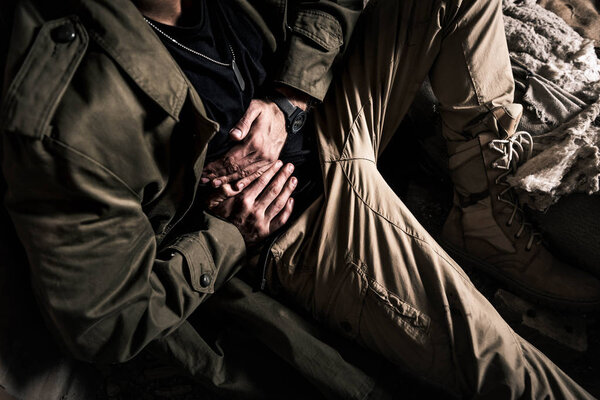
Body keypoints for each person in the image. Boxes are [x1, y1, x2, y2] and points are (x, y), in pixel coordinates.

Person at [1, 0, 598, 398]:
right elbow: (103, 322)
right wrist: (228, 231)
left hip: (327, 112)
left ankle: (483, 217)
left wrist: (292, 94)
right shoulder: (61, 111)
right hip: (299, 221)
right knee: (510, 370)